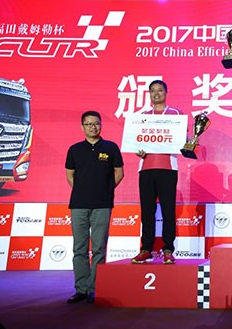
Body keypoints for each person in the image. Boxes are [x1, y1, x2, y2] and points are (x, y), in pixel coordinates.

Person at [65, 111, 124, 304]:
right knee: (79, 248)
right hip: (79, 205)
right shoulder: (75, 149)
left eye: (96, 123)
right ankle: (81, 289)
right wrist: (82, 190)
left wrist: (106, 190)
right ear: (82, 127)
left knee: (99, 248)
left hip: (102, 204)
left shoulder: (111, 147)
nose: (93, 127)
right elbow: (70, 175)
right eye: (89, 124)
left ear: (101, 125)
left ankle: (94, 289)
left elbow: (119, 173)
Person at [131, 80, 182, 264]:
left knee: (168, 211)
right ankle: (146, 248)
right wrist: (137, 150)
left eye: (160, 90)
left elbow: (182, 140)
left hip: (168, 168)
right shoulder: (142, 116)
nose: (156, 94)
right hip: (146, 168)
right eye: (153, 91)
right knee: (147, 211)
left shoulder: (176, 114)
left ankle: (168, 249)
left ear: (166, 93)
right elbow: (136, 143)